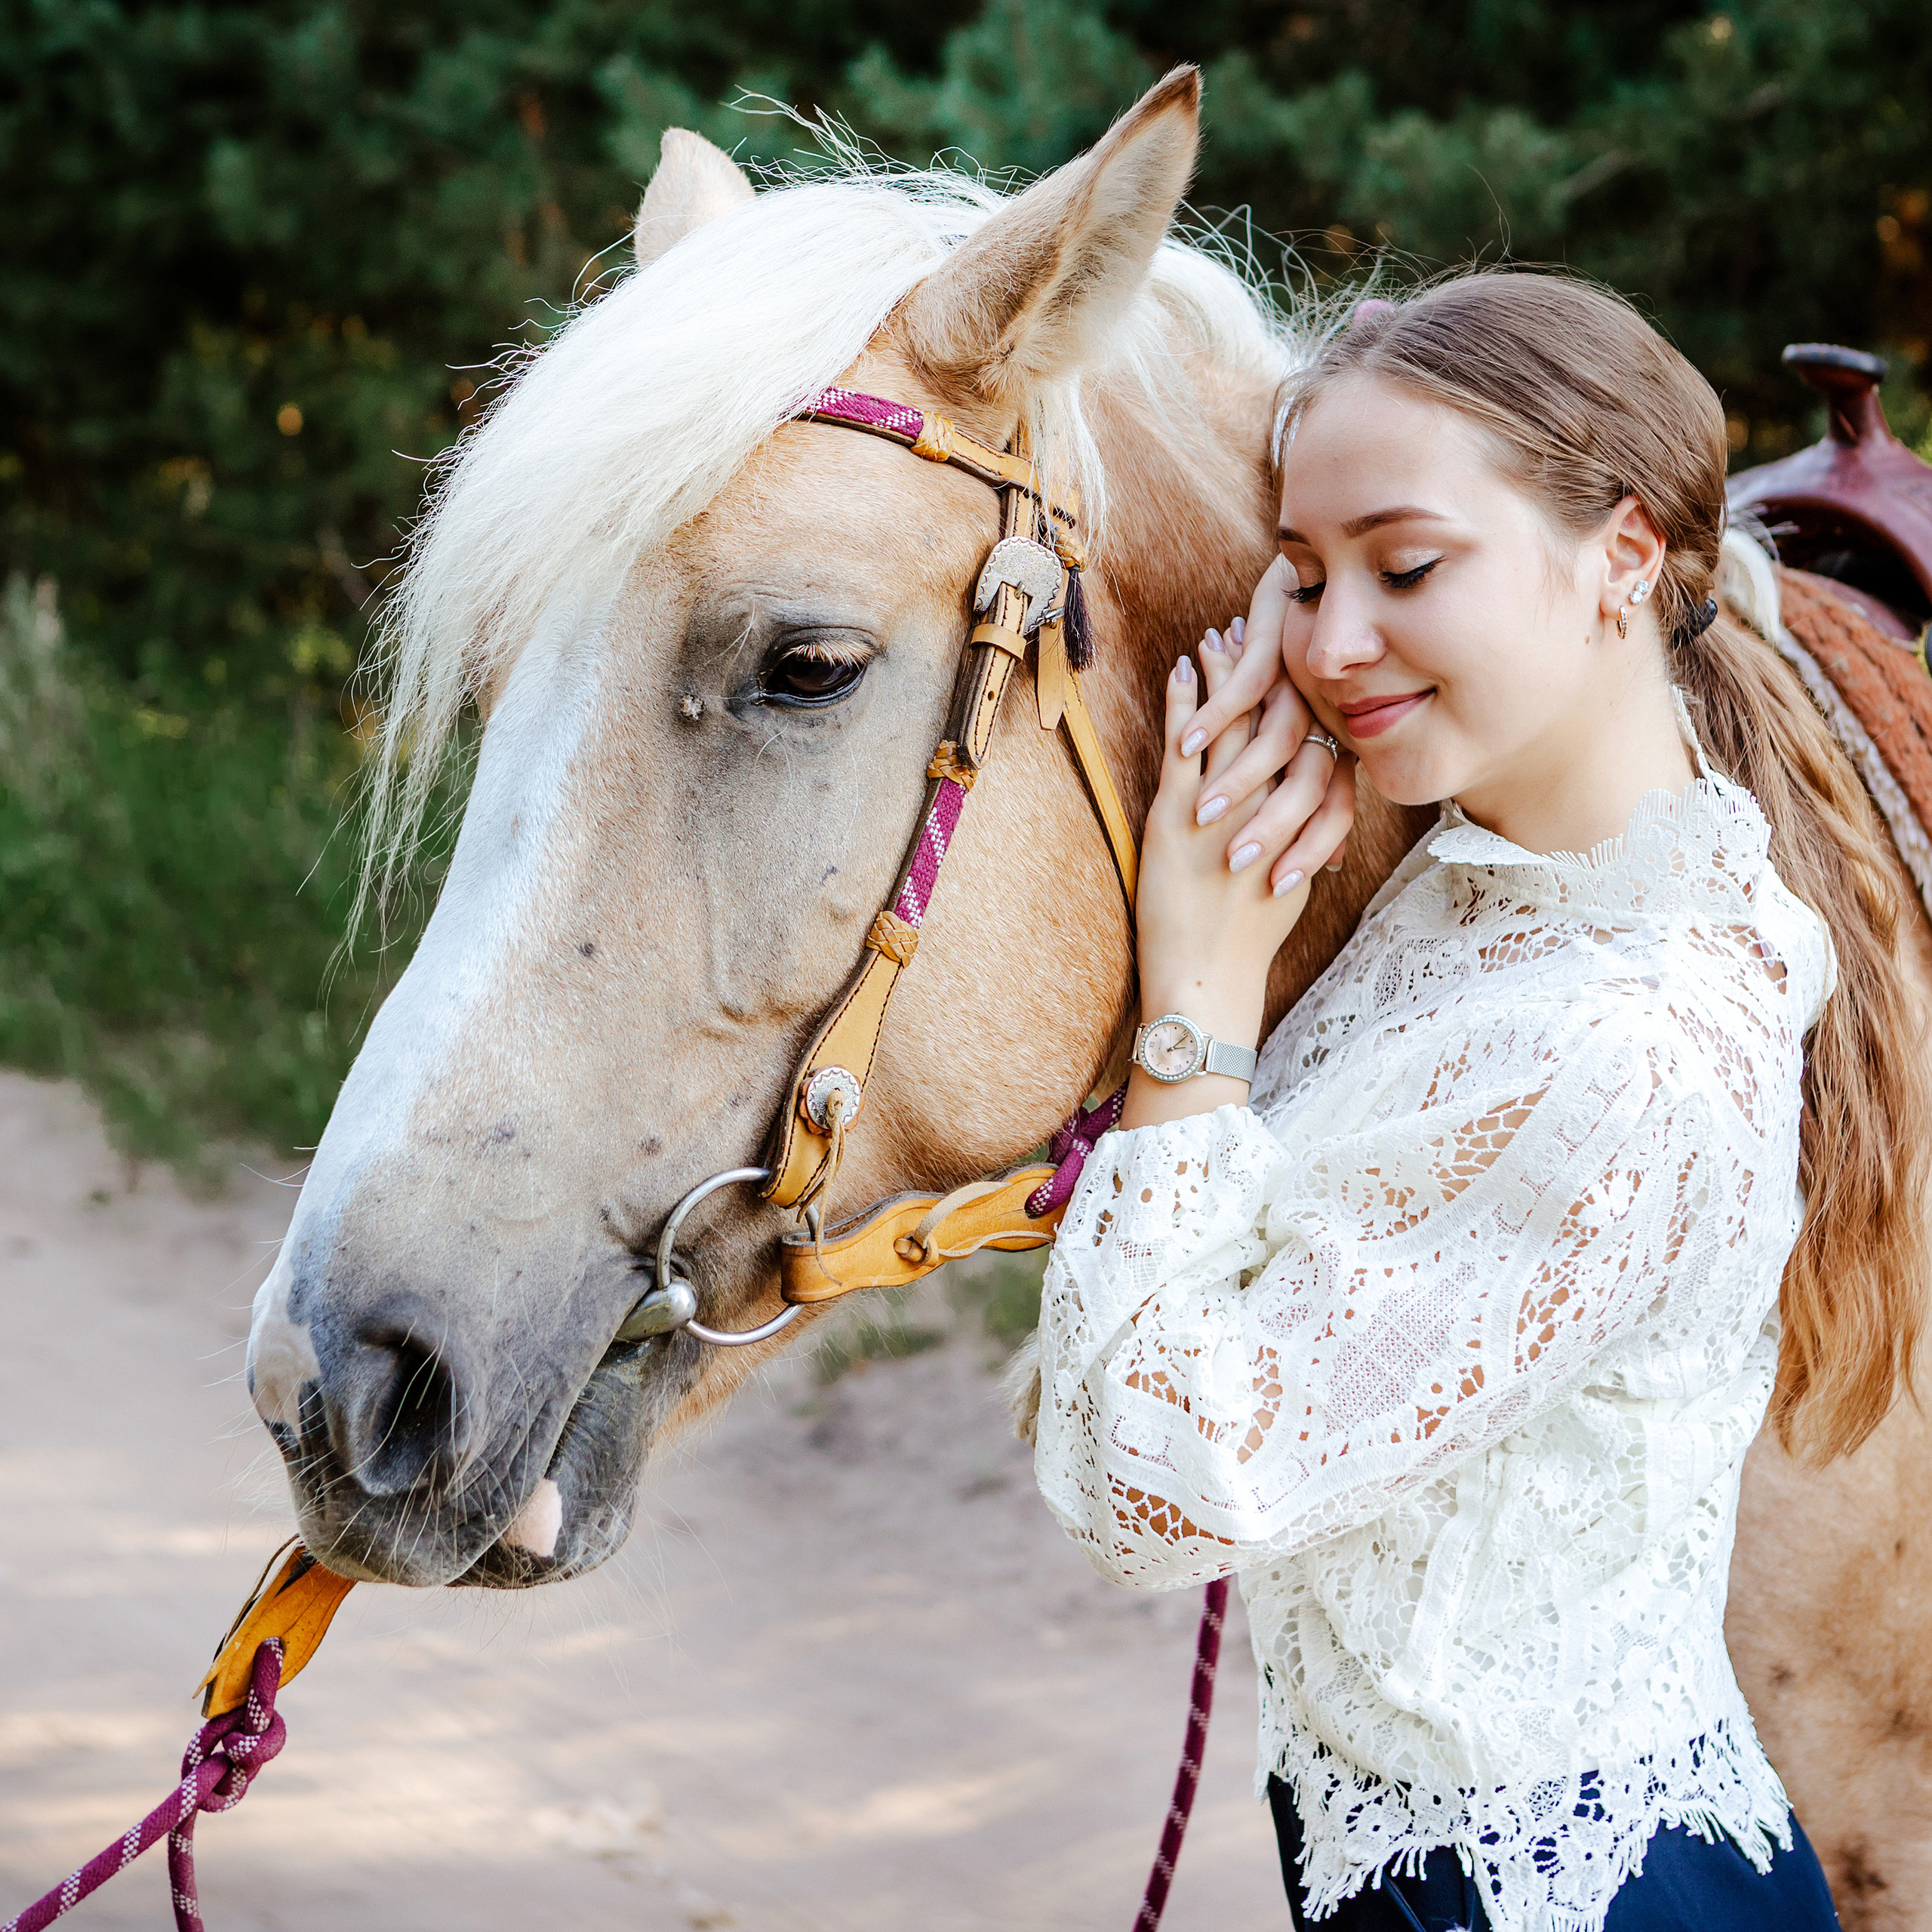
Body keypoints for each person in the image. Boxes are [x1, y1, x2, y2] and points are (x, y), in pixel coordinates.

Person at [1026, 272, 1927, 1930]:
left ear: (1625, 561)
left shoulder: (1620, 1050)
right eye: (1297, 577)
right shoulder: (1480, 895)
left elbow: (1153, 1480)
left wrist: (1197, 1010)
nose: (1329, 640)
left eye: (1406, 564)